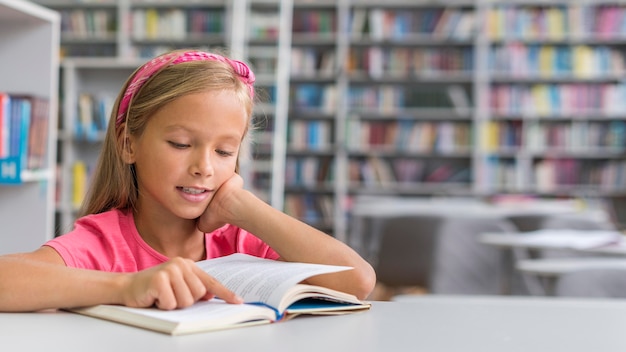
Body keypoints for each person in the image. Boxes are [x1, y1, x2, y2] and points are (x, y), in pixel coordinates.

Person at [0, 49, 376, 312]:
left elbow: (357, 281)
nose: (204, 167)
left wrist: (245, 208)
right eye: (181, 144)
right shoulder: (104, 242)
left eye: (225, 152)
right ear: (129, 144)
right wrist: (126, 286)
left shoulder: (240, 239)